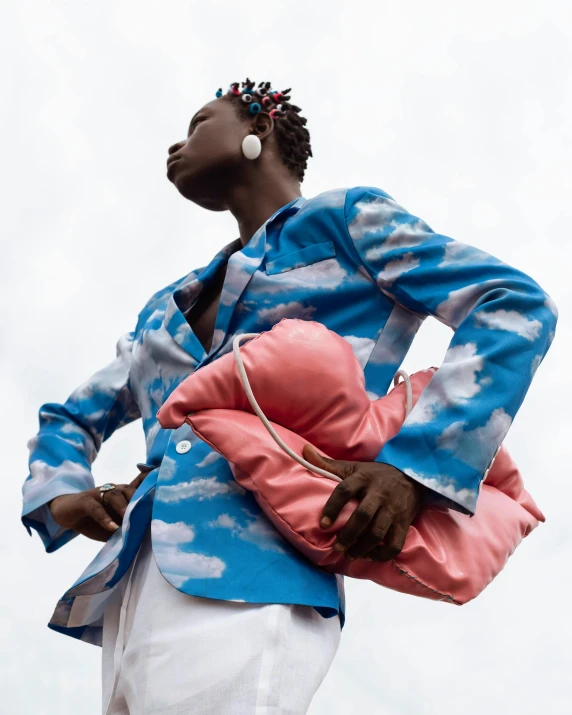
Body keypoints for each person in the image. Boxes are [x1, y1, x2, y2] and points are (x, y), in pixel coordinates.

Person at [22, 78, 558, 714]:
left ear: (260, 126)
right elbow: (68, 417)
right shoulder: (164, 310)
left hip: (258, 567)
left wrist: (412, 470)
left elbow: (512, 306)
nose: (177, 144)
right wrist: (61, 497)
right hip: (130, 586)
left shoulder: (344, 221)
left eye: (197, 123)